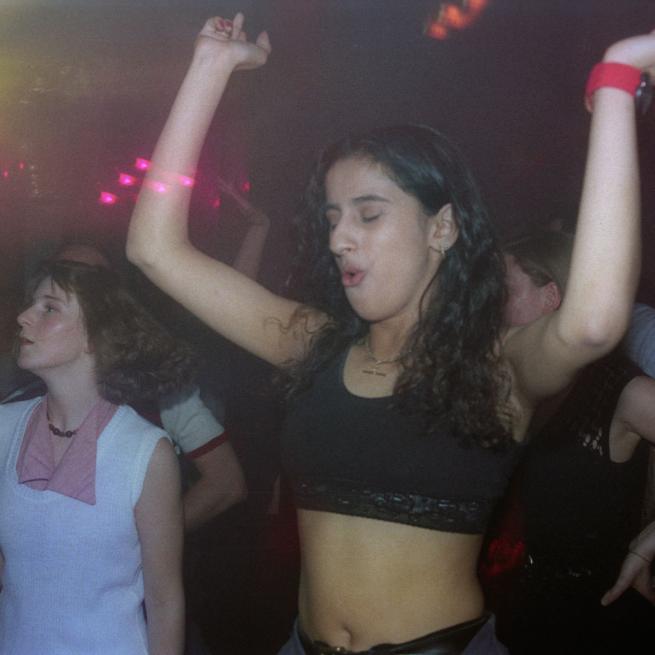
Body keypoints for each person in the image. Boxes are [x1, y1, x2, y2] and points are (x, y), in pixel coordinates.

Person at [126, 13, 654, 654]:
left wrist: (618, 82)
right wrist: (209, 68)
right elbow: (155, 249)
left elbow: (596, 322)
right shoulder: (313, 341)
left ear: (442, 227)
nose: (339, 237)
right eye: (332, 217)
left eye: (369, 214)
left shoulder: (499, 367)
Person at [0, 260, 194, 655]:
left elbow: (164, 602)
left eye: (49, 308)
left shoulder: (145, 452)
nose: (23, 317)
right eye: (31, 305)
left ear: (94, 337)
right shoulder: (3, 428)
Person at [479, 230, 655, 653]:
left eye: (502, 290)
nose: (488, 304)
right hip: (506, 615)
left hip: (592, 624)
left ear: (551, 296)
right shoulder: (497, 378)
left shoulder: (620, 391)